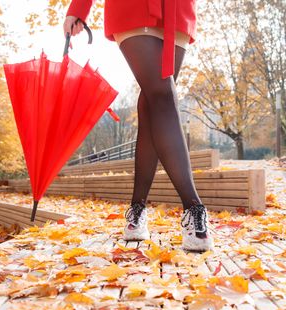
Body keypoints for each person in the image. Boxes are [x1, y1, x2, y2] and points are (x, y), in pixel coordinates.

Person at [63, 0, 213, 251]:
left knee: (152, 103)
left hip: (177, 9)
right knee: (163, 95)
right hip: (132, 7)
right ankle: (193, 208)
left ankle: (137, 210)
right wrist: (78, 9)